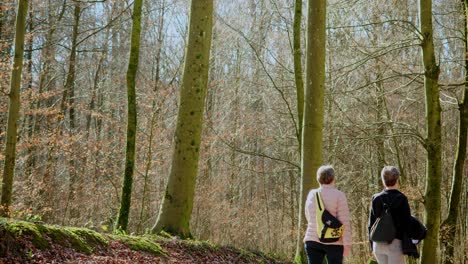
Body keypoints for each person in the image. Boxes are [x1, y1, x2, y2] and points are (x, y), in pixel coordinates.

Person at [303, 165, 352, 264]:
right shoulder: (339, 195)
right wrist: (347, 243)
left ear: (318, 179)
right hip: (334, 241)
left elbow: (308, 215)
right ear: (333, 178)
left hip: (313, 240)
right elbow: (344, 221)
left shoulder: (312, 194)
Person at [368, 166, 412, 264]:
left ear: (383, 181)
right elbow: (407, 224)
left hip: (377, 243)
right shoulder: (402, 199)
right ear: (397, 180)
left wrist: (371, 245)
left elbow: (371, 224)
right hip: (395, 243)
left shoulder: (376, 198)